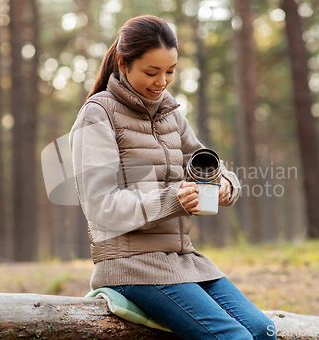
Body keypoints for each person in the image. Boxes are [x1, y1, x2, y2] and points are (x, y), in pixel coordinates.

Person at [69, 15, 276, 340]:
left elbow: (208, 165)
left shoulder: (171, 115)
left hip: (181, 259)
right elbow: (100, 206)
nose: (162, 81)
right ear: (123, 63)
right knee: (232, 337)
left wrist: (226, 185)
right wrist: (173, 199)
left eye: (170, 71)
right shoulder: (98, 114)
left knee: (263, 330)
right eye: (151, 72)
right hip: (131, 265)